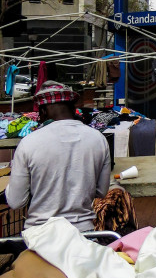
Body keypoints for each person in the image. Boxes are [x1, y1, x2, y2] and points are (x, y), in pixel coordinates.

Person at [5, 81, 111, 230]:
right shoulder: (98, 139)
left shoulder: (28, 143)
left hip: (40, 236)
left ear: (42, 112)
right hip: (84, 235)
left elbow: (16, 201)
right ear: (73, 109)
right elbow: (101, 191)